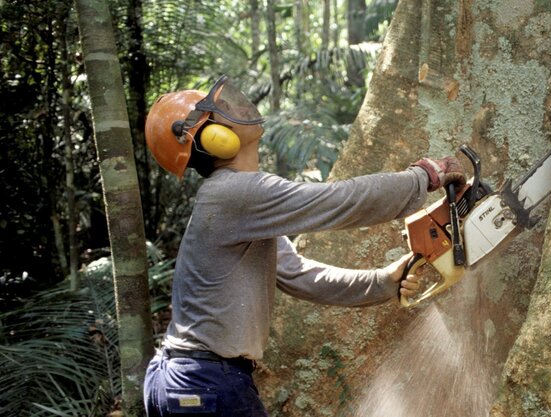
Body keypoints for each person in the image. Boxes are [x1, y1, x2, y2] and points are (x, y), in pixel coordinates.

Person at [141, 75, 465, 416]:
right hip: (206, 382)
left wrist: (382, 282)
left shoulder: (240, 205)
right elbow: (339, 201)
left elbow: (299, 274)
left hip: (184, 380)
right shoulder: (234, 194)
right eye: (221, 110)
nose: (235, 106)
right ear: (213, 138)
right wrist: (423, 176)